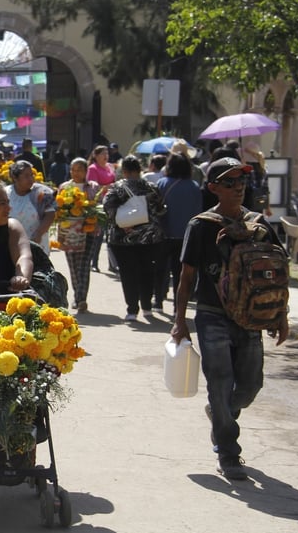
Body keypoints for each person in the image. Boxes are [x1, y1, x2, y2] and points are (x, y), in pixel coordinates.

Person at [171, 157, 288, 481]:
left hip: (251, 319)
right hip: (212, 315)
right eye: (230, 182)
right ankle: (228, 451)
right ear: (213, 188)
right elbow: (186, 276)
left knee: (250, 386)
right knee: (220, 383)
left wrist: (280, 316)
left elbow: (277, 274)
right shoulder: (201, 226)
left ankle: (221, 414)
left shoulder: (260, 226)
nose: (238, 188)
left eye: (242, 182)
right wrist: (180, 321)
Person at [103, 155, 166, 322]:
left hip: (123, 239)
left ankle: (132, 309)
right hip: (149, 238)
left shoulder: (116, 188)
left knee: (128, 273)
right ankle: (147, 307)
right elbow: (161, 210)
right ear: (139, 170)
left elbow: (107, 208)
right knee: (147, 271)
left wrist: (122, 223)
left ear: (124, 171)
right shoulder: (151, 187)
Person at [155, 153, 202, 313]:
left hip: (164, 233)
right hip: (185, 236)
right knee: (180, 273)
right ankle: (177, 307)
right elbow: (198, 212)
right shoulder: (194, 186)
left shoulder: (162, 183)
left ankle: (158, 301)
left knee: (161, 269)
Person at [58, 158, 101, 313]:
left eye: (80, 169)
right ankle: (79, 296)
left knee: (83, 266)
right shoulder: (64, 188)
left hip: (88, 232)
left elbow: (97, 208)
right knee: (73, 266)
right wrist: (59, 236)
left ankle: (81, 298)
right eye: (73, 169)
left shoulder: (93, 187)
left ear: (86, 171)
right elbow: (59, 213)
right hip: (69, 232)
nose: (76, 173)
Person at [5, 160, 56, 253]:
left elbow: (50, 214)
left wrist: (38, 234)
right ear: (15, 177)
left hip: (37, 243)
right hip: (12, 244)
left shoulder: (41, 192)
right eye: (26, 176)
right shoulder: (5, 194)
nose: (31, 179)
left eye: (32, 175)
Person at [87, 144, 117, 272]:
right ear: (96, 156)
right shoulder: (93, 169)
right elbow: (92, 187)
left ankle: (112, 263)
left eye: (107, 154)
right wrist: (106, 187)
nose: (106, 156)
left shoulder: (110, 166)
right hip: (99, 204)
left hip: (112, 202)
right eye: (103, 154)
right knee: (99, 234)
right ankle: (94, 262)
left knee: (112, 233)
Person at [241, 141, 271, 216]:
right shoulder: (263, 168)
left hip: (246, 201)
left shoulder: (246, 168)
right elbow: (266, 189)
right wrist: (268, 207)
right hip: (259, 201)